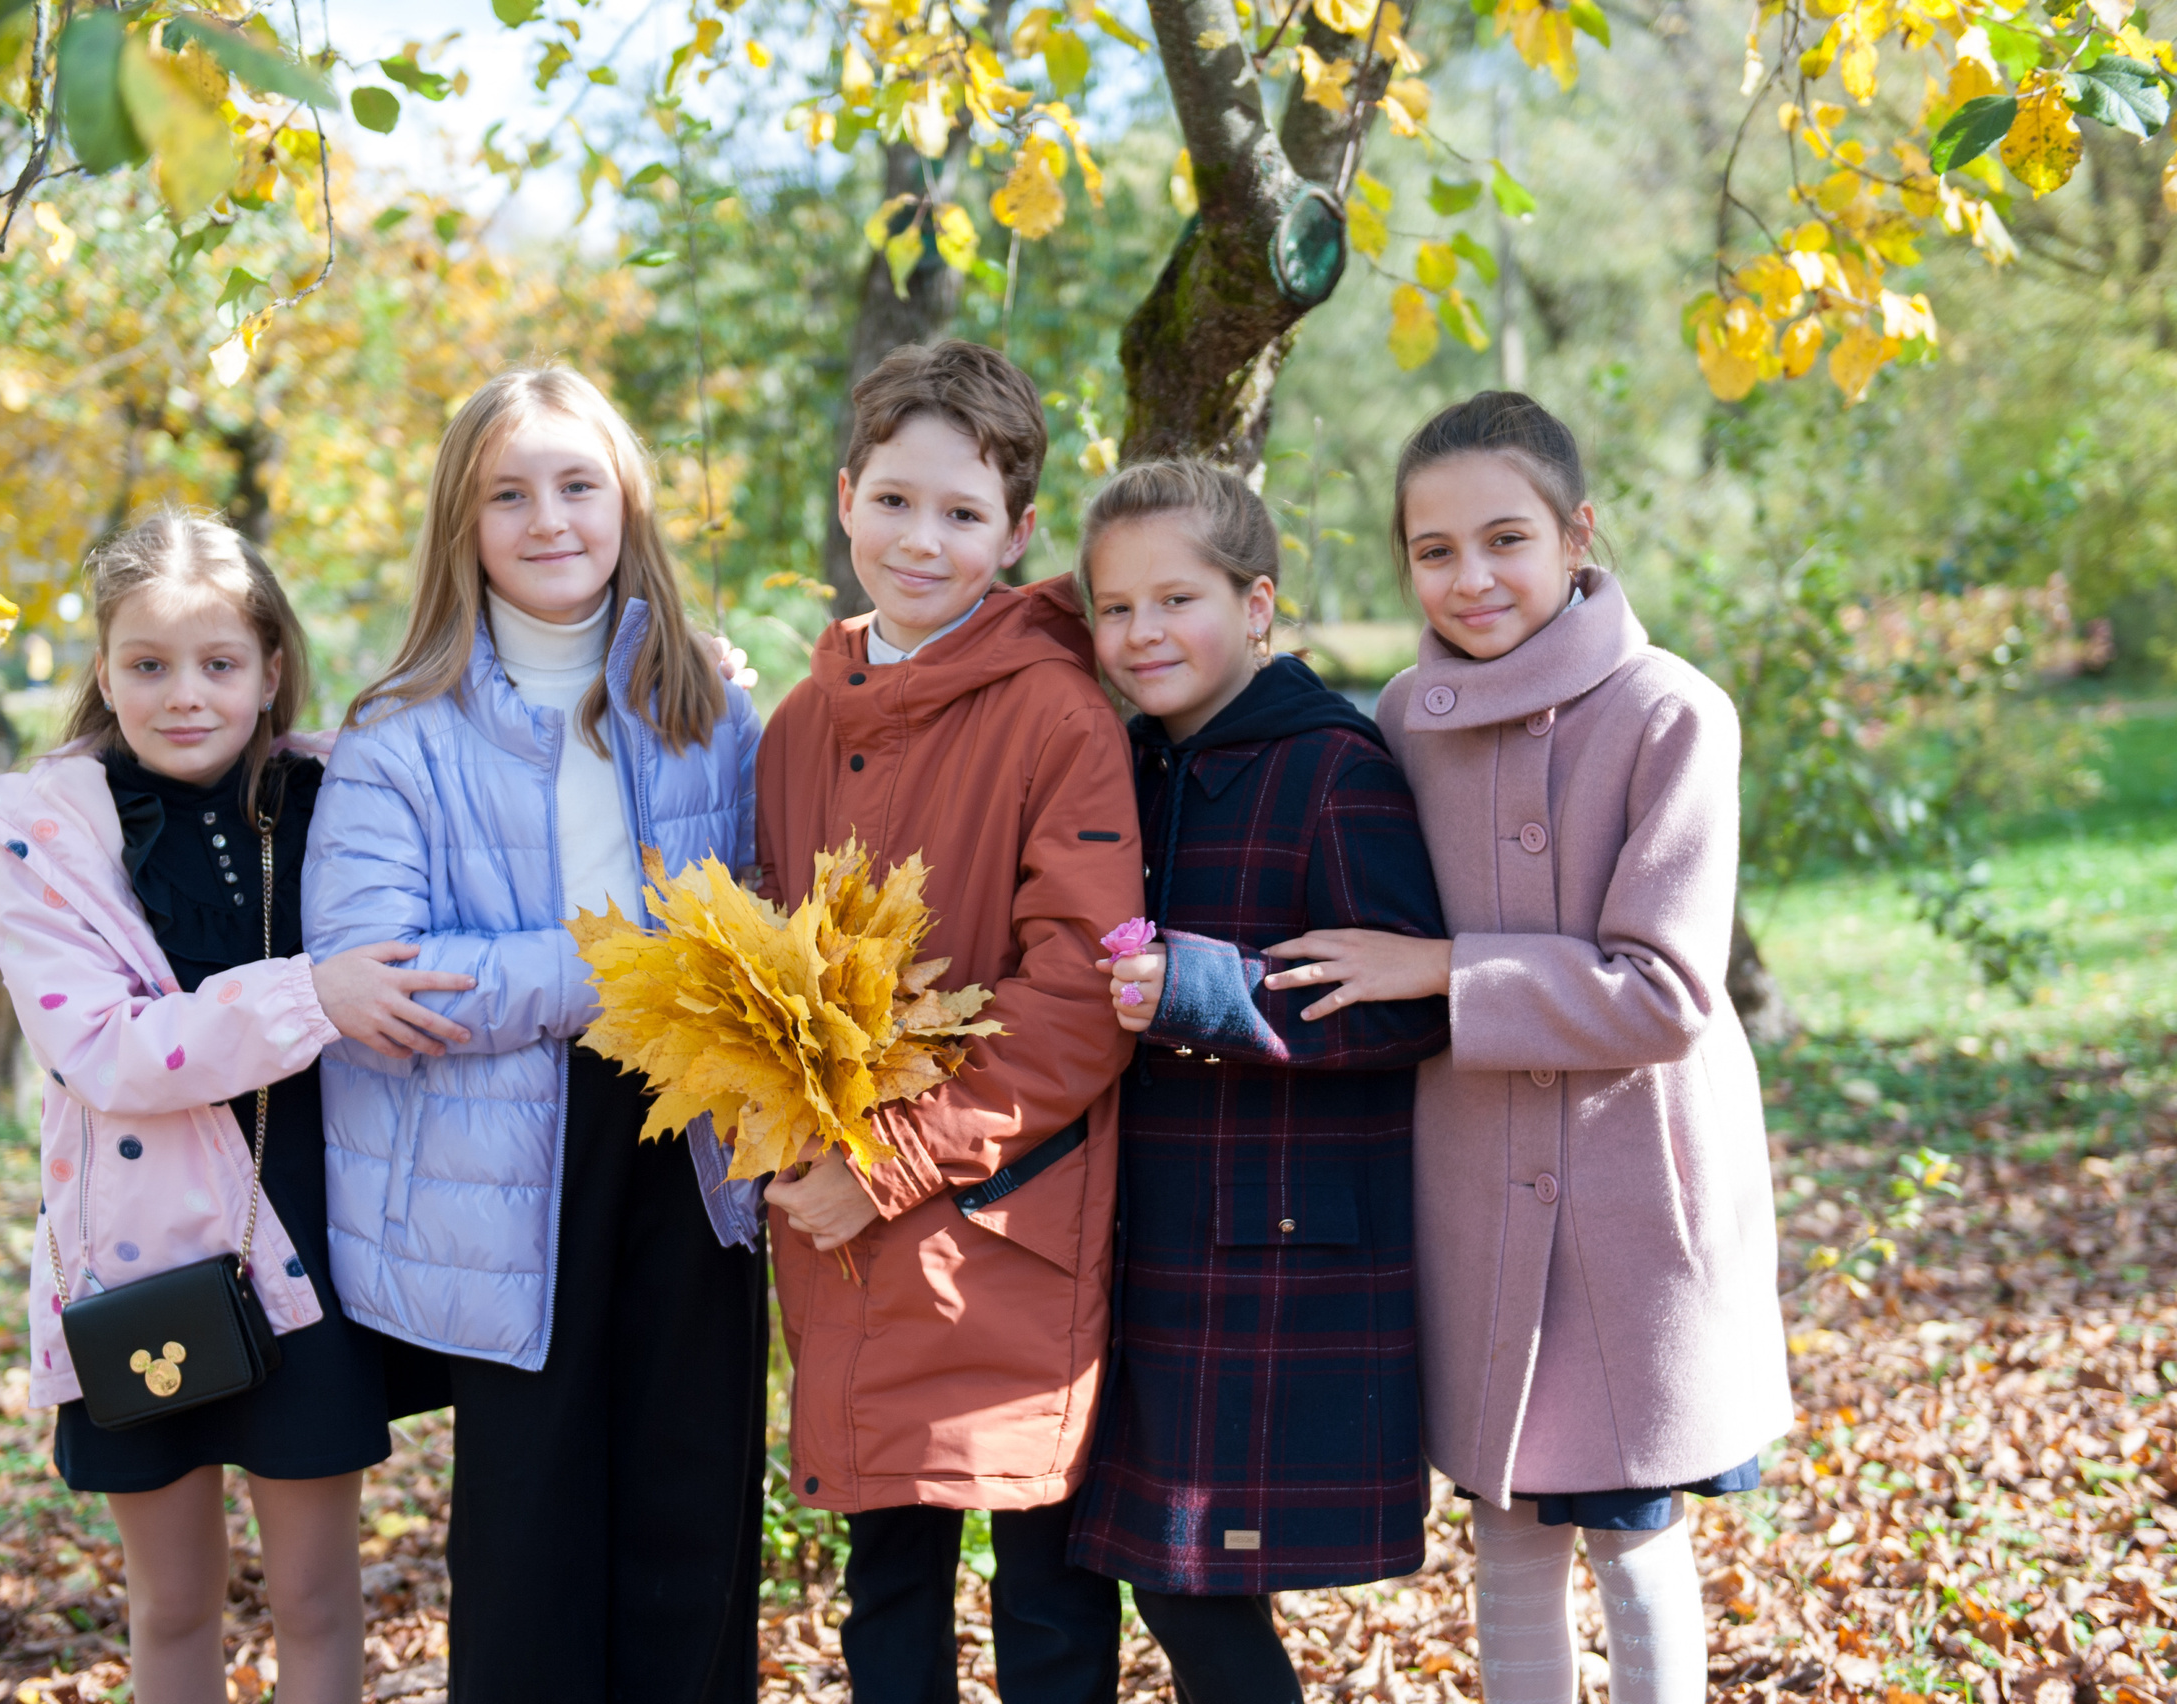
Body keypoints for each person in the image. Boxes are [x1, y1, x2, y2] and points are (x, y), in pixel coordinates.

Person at [1263, 391, 1793, 1704]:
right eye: (1433, 550)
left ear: (1575, 533)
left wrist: (1445, 971)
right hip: (1473, 1185)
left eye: (1505, 539)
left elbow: (1665, 991)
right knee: (1504, 1531)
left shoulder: (1671, 713)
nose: (1472, 578)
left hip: (1629, 1192)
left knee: (1632, 1534)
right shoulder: (1403, 718)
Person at [301, 365, 769, 1703]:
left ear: (628, 504)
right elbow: (381, 986)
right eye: (508, 494)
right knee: (531, 1531)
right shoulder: (397, 737)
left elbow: (765, 916)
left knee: (696, 1509)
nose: (548, 518)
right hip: (501, 1163)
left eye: (577, 485)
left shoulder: (709, 704)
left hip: (692, 1145)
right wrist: (623, 970)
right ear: (463, 522)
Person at [0, 509, 476, 1704]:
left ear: (271, 669)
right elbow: (103, 1051)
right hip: (142, 1267)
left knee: (317, 1597)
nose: (184, 694)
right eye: (147, 664)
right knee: (174, 1605)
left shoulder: (340, 794)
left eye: (219, 663)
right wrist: (310, 995)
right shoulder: (46, 843)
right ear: (104, 673)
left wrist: (669, 678)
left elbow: (502, 776)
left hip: (307, 1255)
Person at [756, 339, 1144, 1704]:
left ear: (1018, 532)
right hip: (842, 1228)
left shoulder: (1059, 716)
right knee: (887, 1593)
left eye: (963, 513)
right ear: (846, 499)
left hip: (1001, 1214)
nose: (923, 541)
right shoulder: (796, 725)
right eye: (895, 502)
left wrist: (886, 1163)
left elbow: (1081, 996)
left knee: (1044, 1603)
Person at [1068, 460, 1451, 1704]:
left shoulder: (1334, 769)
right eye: (1115, 608)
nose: (1142, 632)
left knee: (1189, 1578)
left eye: (1176, 599)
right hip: (1145, 1234)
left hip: (1271, 1248)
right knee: (1163, 1573)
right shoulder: (1126, 765)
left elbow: (1404, 1007)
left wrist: (1199, 990)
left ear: (1258, 605)